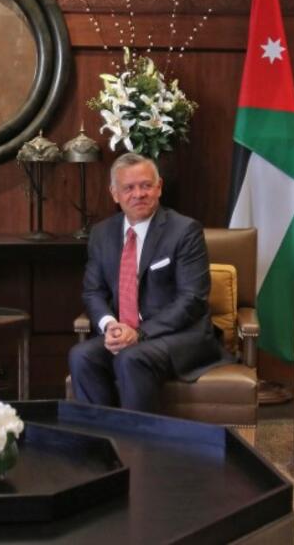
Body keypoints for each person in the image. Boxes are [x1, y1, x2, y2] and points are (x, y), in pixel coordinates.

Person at [68, 152, 223, 412]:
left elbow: (192, 299)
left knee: (131, 358)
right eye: (128, 188)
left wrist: (139, 333)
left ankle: (137, 448)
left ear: (159, 187)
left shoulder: (185, 230)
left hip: (178, 335)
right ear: (114, 194)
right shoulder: (102, 234)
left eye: (146, 185)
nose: (138, 194)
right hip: (126, 332)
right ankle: (102, 441)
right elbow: (93, 291)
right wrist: (110, 326)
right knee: (81, 356)